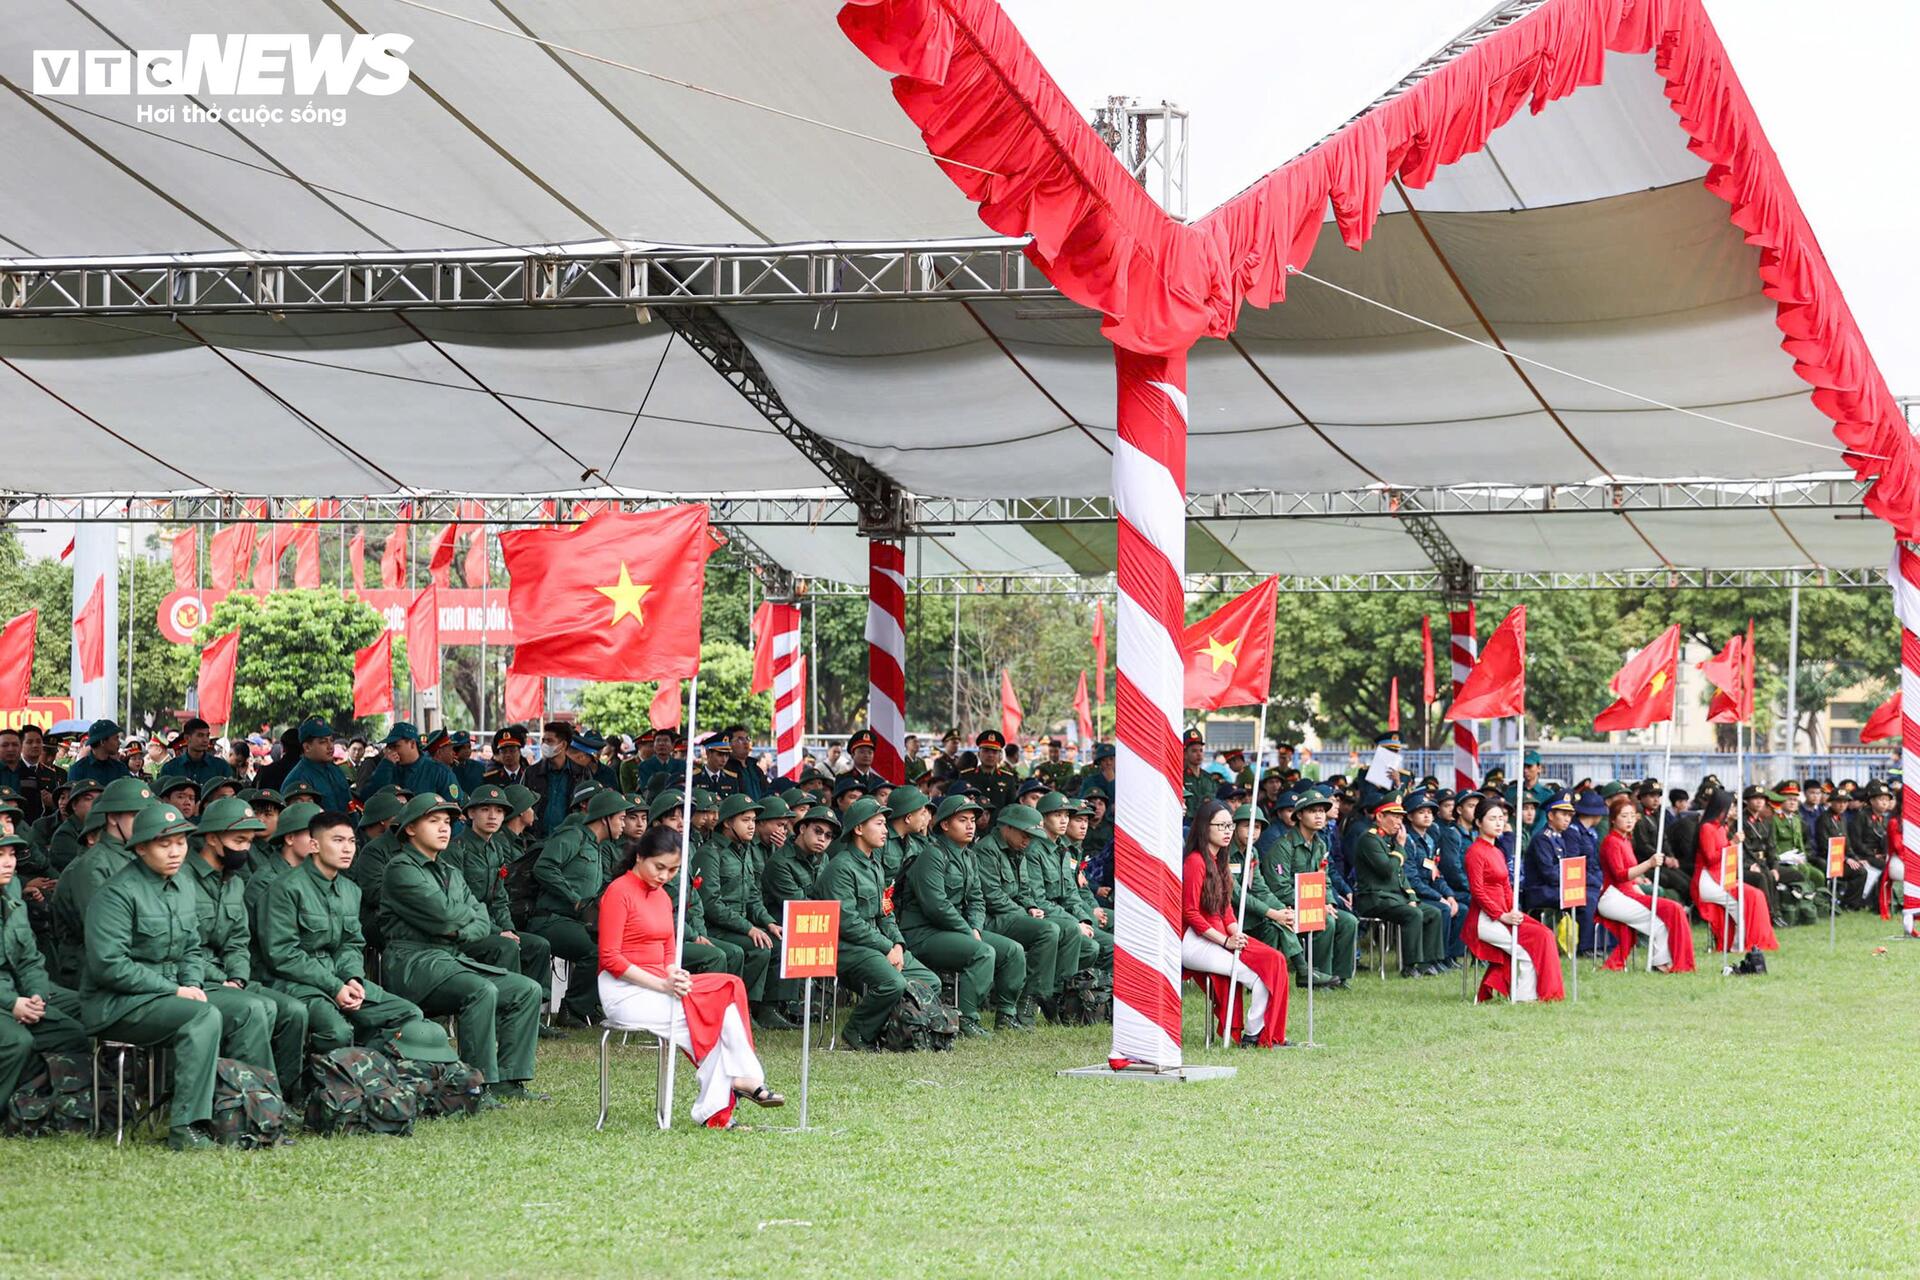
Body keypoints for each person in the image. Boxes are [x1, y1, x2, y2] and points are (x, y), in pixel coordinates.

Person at [81, 802, 257, 1151]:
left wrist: (191, 983)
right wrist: (174, 990)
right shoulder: (117, 893)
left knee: (247, 1009)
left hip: (170, 994)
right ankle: (186, 1128)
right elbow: (109, 965)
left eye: (180, 842)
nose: (176, 852)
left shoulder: (182, 886)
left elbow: (191, 947)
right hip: (118, 1003)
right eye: (165, 844)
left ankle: (248, 1112)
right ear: (140, 848)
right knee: (203, 1017)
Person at [599, 825, 782, 1129]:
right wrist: (663, 984)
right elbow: (610, 958)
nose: (665, 876)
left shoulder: (662, 897)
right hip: (624, 990)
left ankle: (737, 1084)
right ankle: (727, 1098)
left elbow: (668, 950)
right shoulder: (618, 892)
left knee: (730, 985)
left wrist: (674, 972)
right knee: (709, 1017)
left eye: (673, 870)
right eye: (659, 867)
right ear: (640, 856)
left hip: (660, 982)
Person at [378, 794, 545, 1102]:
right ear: (410, 829)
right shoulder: (400, 868)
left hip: (451, 959)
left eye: (447, 822)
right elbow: (443, 916)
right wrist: (461, 921)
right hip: (413, 963)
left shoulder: (451, 872)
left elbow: (480, 918)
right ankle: (474, 1086)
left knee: (526, 990)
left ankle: (508, 1080)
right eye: (434, 821)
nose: (444, 828)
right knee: (481, 990)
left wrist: (460, 926)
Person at [258, 809, 423, 1056]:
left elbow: (351, 943)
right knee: (338, 1032)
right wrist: (335, 986)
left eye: (351, 841)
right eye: (337, 840)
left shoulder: (350, 890)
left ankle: (363, 1069)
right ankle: (314, 1074)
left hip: (338, 978)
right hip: (295, 982)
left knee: (409, 1015)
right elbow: (282, 954)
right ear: (314, 845)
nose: (347, 849)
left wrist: (352, 978)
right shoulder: (285, 888)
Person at [184, 797, 310, 1097]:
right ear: (212, 838)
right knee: (256, 1008)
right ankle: (254, 1101)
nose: (245, 849)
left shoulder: (234, 883)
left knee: (294, 1011)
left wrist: (238, 978)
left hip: (230, 978)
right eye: (238, 840)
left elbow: (239, 941)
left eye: (249, 841)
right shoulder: (183, 879)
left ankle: (287, 1097)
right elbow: (181, 947)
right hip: (193, 979)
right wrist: (222, 980)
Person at [817, 798, 940, 1050]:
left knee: (930, 980)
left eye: (885, 824)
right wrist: (886, 947)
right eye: (879, 824)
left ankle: (895, 1029)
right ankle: (857, 1032)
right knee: (892, 983)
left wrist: (898, 944)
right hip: (845, 947)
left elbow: (886, 912)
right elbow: (847, 923)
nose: (886, 830)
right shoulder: (840, 868)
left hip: (875, 944)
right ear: (858, 829)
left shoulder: (875, 865)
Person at [897, 794, 1008, 1038]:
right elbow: (936, 906)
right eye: (962, 820)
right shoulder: (933, 855)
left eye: (972, 820)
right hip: (923, 933)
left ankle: (1009, 1014)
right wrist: (967, 931)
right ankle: (967, 1018)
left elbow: (977, 899)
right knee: (982, 953)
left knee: (1012, 951)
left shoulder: (969, 856)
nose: (970, 826)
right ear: (945, 824)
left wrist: (975, 928)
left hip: (953, 929)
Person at [1180, 800, 1287, 1047]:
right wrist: (1226, 941)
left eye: (1229, 825)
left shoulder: (1220, 860)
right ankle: (1252, 1035)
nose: (1227, 831)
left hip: (1219, 933)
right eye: (1221, 826)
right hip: (1193, 941)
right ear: (1205, 827)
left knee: (1274, 960)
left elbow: (1226, 909)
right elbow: (1190, 913)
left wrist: (1236, 933)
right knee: (1258, 976)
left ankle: (1260, 1031)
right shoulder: (1195, 862)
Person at [0, 833, 89, 1106]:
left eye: (11, 855)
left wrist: (37, 994)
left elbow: (29, 958)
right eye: (0, 855)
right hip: (6, 997)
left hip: (17, 991)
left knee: (72, 1033)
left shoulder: (11, 889)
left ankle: (36, 1107)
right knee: (17, 1042)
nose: (9, 862)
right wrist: (11, 1003)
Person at [445, 785, 554, 991]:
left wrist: (507, 928)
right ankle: (510, 1005)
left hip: (492, 927)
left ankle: (533, 1007)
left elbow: (500, 898)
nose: (493, 816)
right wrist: (498, 931)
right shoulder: (456, 849)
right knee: (507, 946)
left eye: (499, 811)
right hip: (465, 931)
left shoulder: (495, 849)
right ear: (471, 813)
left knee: (539, 946)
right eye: (485, 809)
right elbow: (457, 905)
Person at [972, 803, 1068, 1030]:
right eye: (1025, 834)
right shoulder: (987, 850)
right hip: (990, 919)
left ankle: (1043, 998)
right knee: (1048, 930)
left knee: (1060, 929)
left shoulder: (1018, 850)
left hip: (1012, 916)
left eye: (1031, 836)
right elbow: (991, 896)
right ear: (1007, 828)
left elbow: (1024, 890)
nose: (1028, 840)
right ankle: (1029, 1001)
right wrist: (1024, 913)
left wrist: (1031, 907)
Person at [1461, 796, 1565, 1004]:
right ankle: (1524, 997)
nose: (1498, 823)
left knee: (1544, 934)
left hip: (1505, 913)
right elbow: (1477, 891)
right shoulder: (1475, 852)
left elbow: (1506, 887)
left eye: (1501, 818)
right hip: (1484, 919)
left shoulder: (1497, 852)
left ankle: (1546, 991)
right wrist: (1501, 915)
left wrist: (1513, 910)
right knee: (1525, 950)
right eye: (1492, 819)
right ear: (1479, 822)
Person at [1596, 794, 1695, 973]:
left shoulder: (1625, 840)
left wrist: (1639, 882)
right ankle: (1665, 962)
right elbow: (1620, 875)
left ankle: (1661, 962)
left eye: (1632, 816)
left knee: (1663, 918)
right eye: (1624, 816)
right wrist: (1648, 864)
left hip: (1628, 892)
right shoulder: (1611, 842)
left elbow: (1628, 875)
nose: (1629, 820)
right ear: (1613, 819)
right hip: (1614, 897)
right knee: (1670, 910)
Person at [1352, 795, 1445, 978]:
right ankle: (1410, 965)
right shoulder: (1369, 839)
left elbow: (1401, 876)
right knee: (1413, 914)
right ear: (1380, 817)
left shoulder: (1389, 840)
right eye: (1394, 816)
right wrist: (1400, 848)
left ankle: (1428, 962)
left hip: (1394, 898)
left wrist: (1412, 897)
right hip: (1374, 898)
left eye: (1401, 817)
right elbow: (1388, 870)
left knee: (1433, 912)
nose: (1399, 822)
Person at [1692, 788, 1779, 955]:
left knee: (1756, 895)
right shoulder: (1707, 828)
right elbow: (1711, 858)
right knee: (1742, 905)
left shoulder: (1721, 828)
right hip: (1708, 880)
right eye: (1732, 807)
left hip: (1722, 877)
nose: (1735, 810)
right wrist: (1732, 843)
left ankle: (1750, 938)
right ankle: (1739, 944)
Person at [356, 722, 464, 805]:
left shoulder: (439, 772)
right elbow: (367, 799)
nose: (391, 751)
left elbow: (453, 808)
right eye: (389, 747)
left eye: (396, 746)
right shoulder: (388, 768)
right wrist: (385, 766)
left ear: (412, 744)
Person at [280, 718, 352, 813]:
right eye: (323, 742)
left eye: (331, 740)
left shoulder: (335, 770)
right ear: (307, 747)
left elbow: (350, 806)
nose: (330, 746)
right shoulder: (297, 779)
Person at [157, 718, 232, 787]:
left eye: (207, 735)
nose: (205, 740)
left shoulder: (221, 767)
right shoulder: (170, 768)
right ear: (187, 738)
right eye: (200, 735)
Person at [957, 731, 1019, 815]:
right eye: (986, 751)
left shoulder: (1008, 778)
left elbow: (1012, 807)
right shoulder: (966, 776)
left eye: (994, 752)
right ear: (979, 754)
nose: (990, 755)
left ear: (1000, 756)